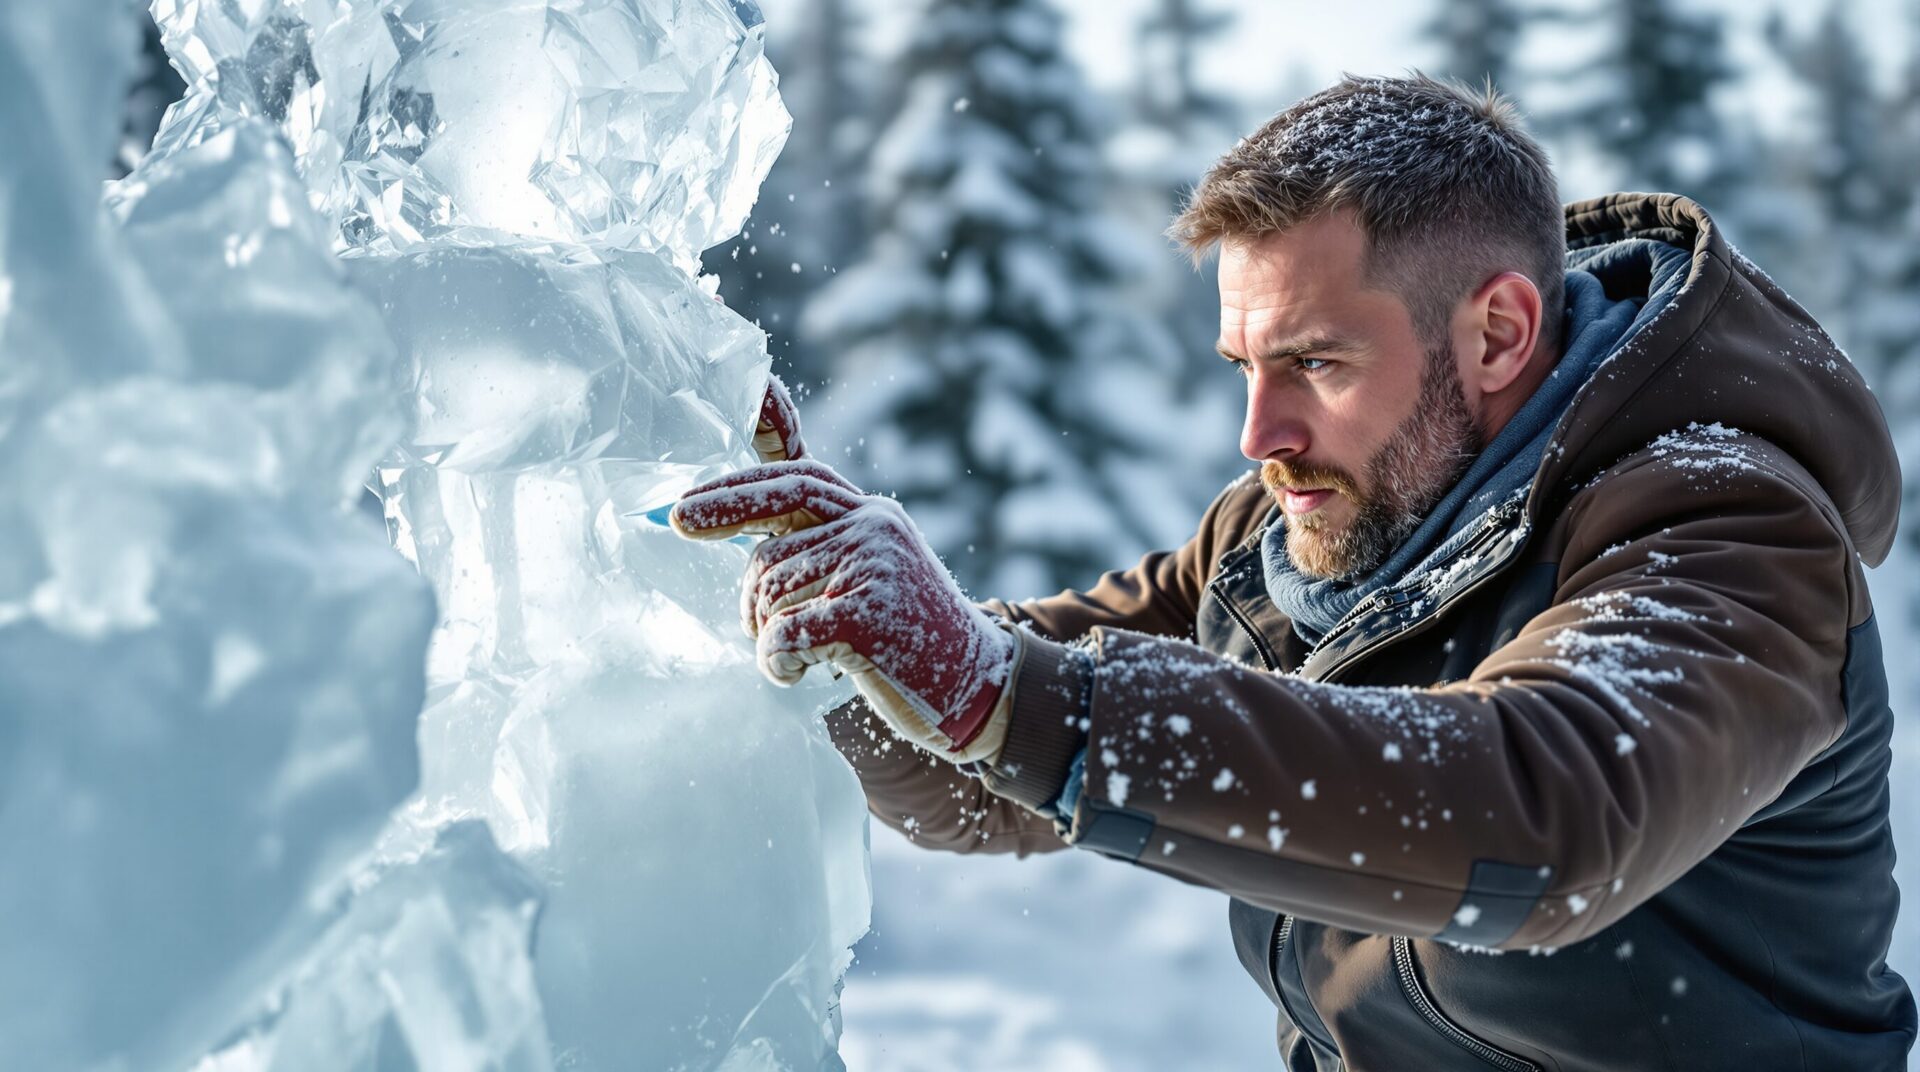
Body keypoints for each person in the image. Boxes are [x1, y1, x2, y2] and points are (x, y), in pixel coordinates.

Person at [672, 74, 1915, 1070]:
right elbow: (996, 774)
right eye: (1242, 367)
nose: (1258, 437)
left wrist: (999, 691)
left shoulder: (1733, 535)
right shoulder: (1297, 539)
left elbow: (1548, 816)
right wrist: (841, 645)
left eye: (1315, 363)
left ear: (1497, 334)